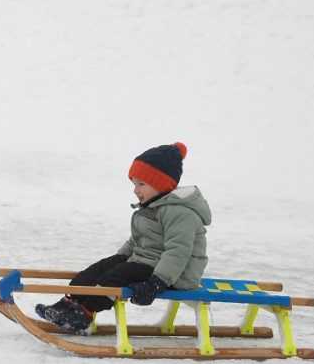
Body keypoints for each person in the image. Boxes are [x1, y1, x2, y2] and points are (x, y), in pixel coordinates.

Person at [35, 142, 211, 333]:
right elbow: (136, 241)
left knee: (115, 277)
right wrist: (117, 259)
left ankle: (84, 312)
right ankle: (67, 305)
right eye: (134, 184)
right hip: (147, 262)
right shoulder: (152, 207)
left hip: (176, 274)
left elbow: (178, 252)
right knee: (97, 270)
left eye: (141, 184)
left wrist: (157, 282)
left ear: (161, 184)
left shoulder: (180, 213)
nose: (135, 190)